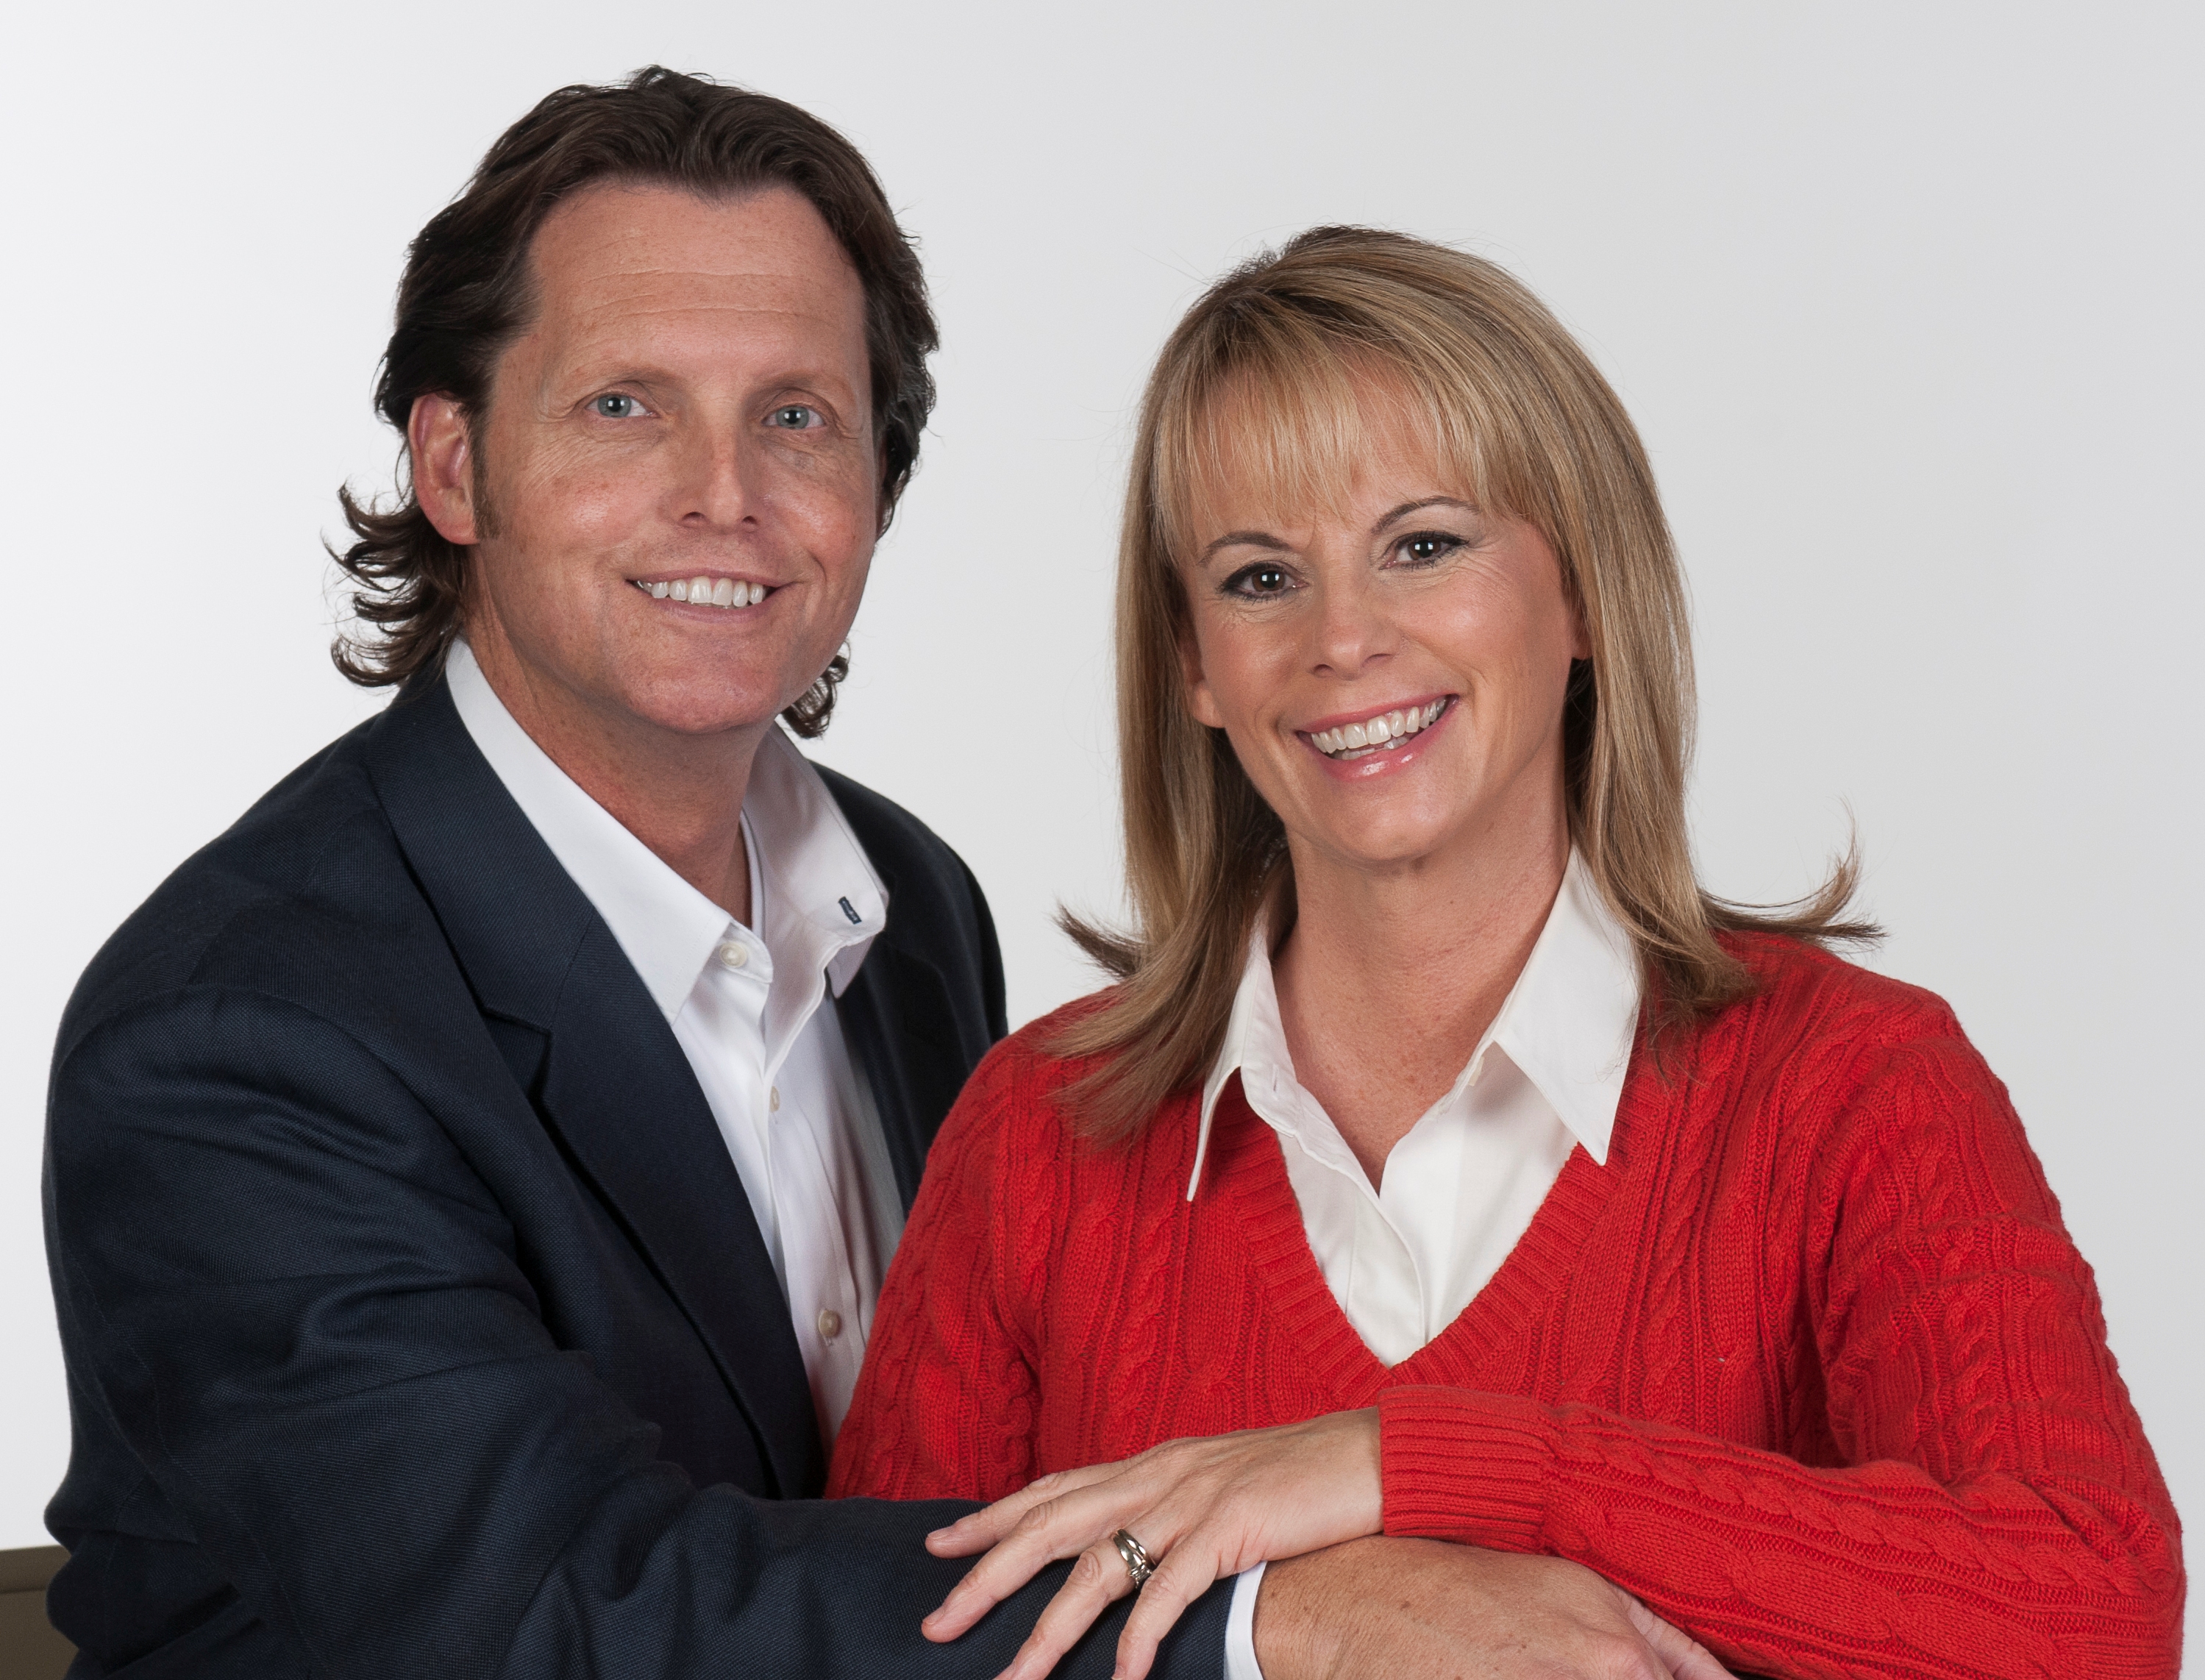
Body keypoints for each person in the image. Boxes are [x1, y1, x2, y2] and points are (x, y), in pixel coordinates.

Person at [828, 227, 2187, 1680]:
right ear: (1190, 664)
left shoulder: (1852, 1085)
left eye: (1422, 546)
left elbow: (2091, 1616)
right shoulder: (1037, 1136)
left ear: (1583, 591)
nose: (1343, 638)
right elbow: (861, 1645)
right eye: (1259, 577)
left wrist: (1420, 1463)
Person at [40, 68, 1243, 1678]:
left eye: (795, 416)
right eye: (625, 405)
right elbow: (549, 1616)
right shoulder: (234, 1035)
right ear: (453, 467)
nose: (723, 495)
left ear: (877, 487)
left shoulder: (912, 904)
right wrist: (1266, 1624)